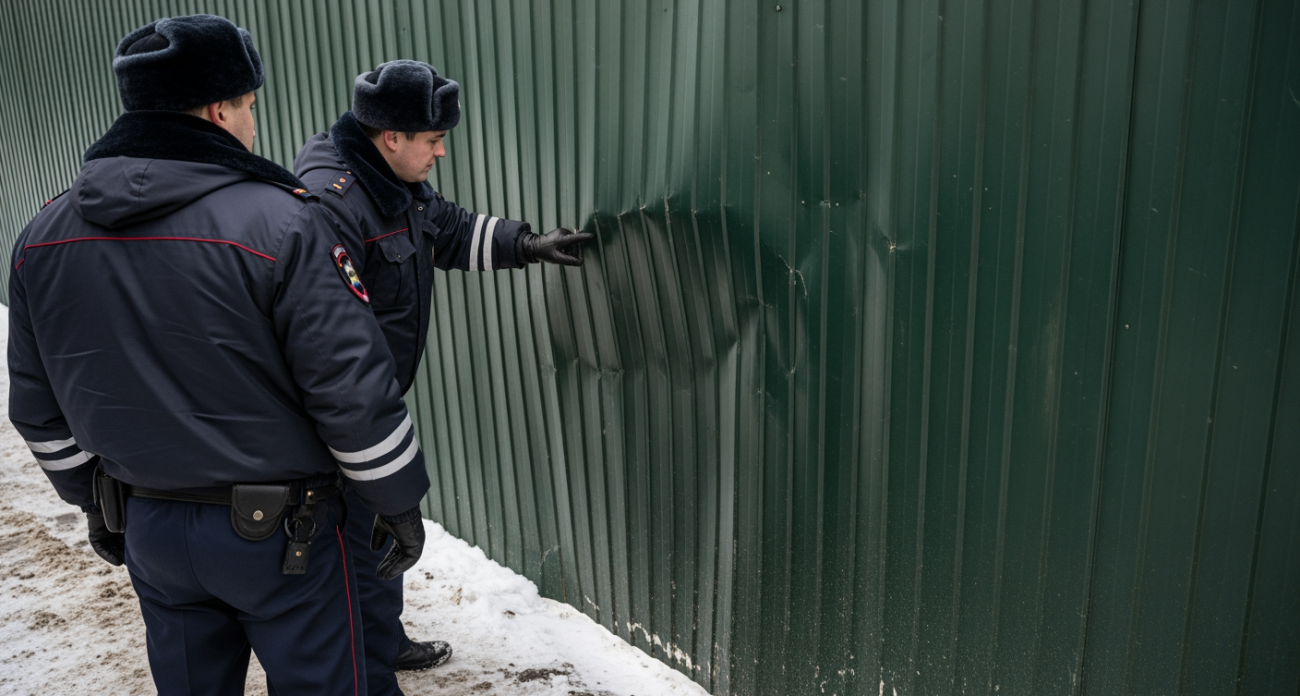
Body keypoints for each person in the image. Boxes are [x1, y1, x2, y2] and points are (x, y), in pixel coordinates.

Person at [7, 15, 431, 695]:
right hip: (286, 538)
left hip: (150, 525)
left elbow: (36, 410)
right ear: (219, 108)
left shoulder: (42, 237)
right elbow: (351, 391)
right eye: (250, 106)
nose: (253, 123)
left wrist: (98, 503)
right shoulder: (282, 224)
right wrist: (397, 502)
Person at [294, 60, 593, 694]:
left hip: (372, 399)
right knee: (352, 542)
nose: (441, 150)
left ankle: (385, 639)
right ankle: (365, 666)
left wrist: (527, 244)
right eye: (432, 139)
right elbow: (328, 352)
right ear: (390, 137)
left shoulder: (390, 183)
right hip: (339, 414)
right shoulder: (332, 205)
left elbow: (443, 228)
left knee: (377, 529)